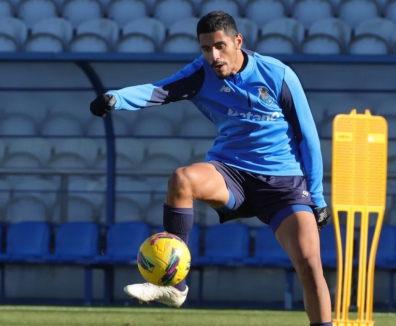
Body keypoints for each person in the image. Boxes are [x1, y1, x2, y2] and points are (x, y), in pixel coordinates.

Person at [90, 11, 333, 326]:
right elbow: (157, 91)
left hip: (283, 185)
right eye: (206, 49)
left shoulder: (277, 74)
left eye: (220, 46)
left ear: (238, 42)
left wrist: (318, 197)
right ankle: (175, 287)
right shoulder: (200, 74)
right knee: (183, 179)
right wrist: (115, 99)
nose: (214, 56)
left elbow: (308, 138)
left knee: (310, 265)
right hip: (231, 173)